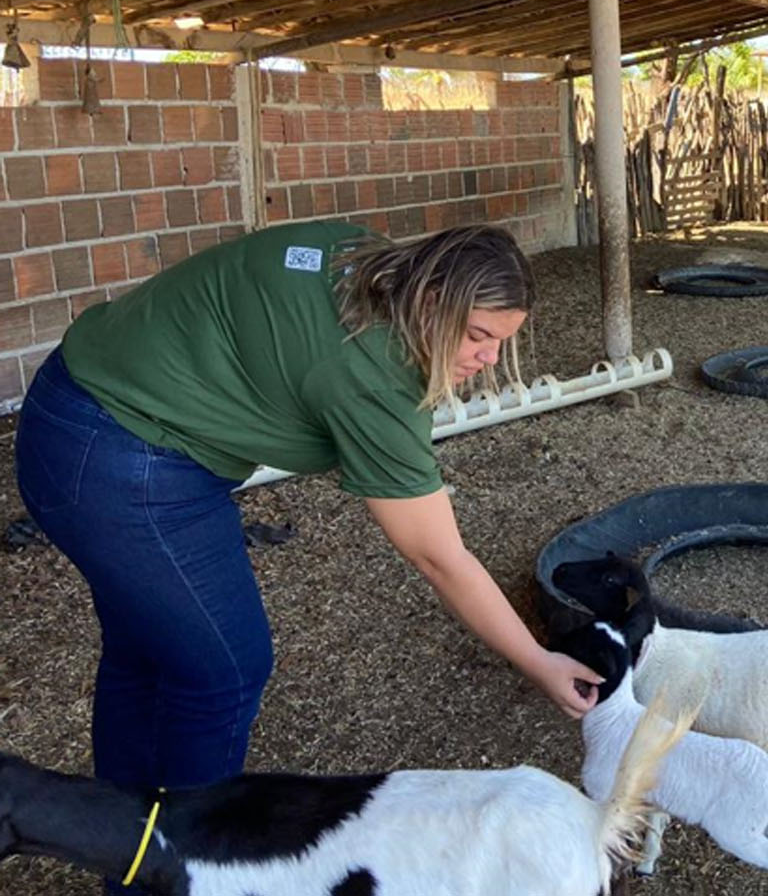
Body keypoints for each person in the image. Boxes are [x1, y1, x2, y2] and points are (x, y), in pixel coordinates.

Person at [12, 220, 603, 804]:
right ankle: (188, 864)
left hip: (72, 402)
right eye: (477, 334)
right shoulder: (372, 375)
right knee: (223, 669)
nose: (489, 358)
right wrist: (537, 659)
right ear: (431, 297)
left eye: (501, 339)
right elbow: (438, 557)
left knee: (151, 652)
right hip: (122, 459)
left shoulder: (359, 252)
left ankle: (124, 849)